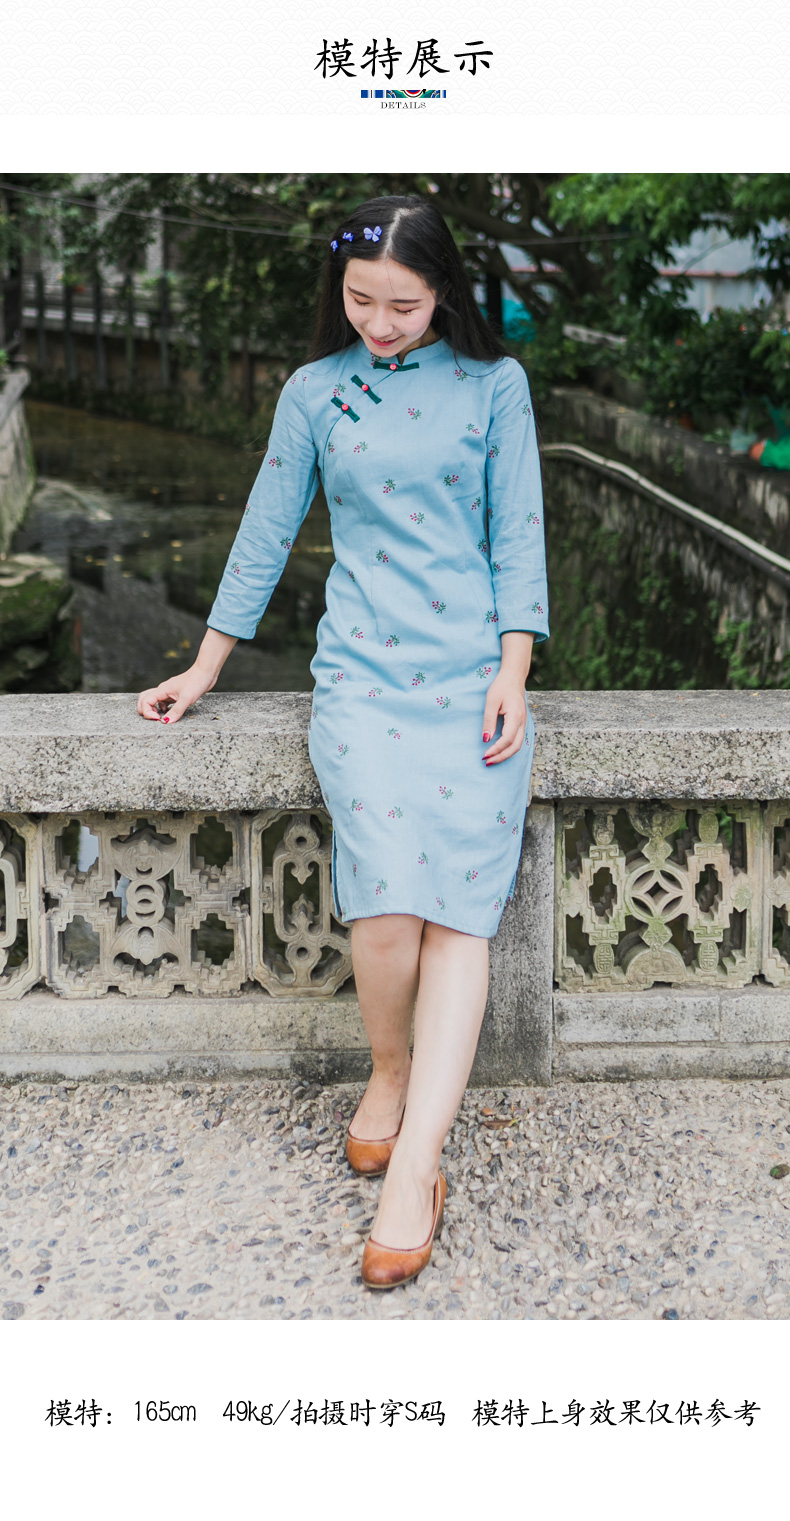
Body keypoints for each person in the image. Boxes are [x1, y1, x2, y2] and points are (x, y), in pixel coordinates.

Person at [137, 194, 549, 1291]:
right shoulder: (314, 393)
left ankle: (417, 1164)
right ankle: (390, 1067)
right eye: (361, 300)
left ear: (443, 294)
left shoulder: (495, 387)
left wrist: (513, 671)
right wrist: (205, 666)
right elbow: (266, 529)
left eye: (402, 305)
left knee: (458, 917)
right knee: (384, 913)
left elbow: (518, 532)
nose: (379, 321)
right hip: (361, 682)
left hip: (470, 684)